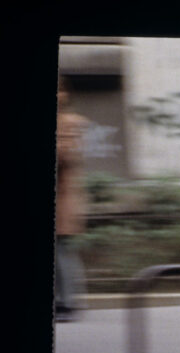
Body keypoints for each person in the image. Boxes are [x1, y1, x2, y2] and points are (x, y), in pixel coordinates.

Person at [55, 76, 88, 322]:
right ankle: (65, 300)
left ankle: (68, 303)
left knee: (62, 250)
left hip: (64, 199)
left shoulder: (69, 122)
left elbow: (66, 156)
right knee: (62, 251)